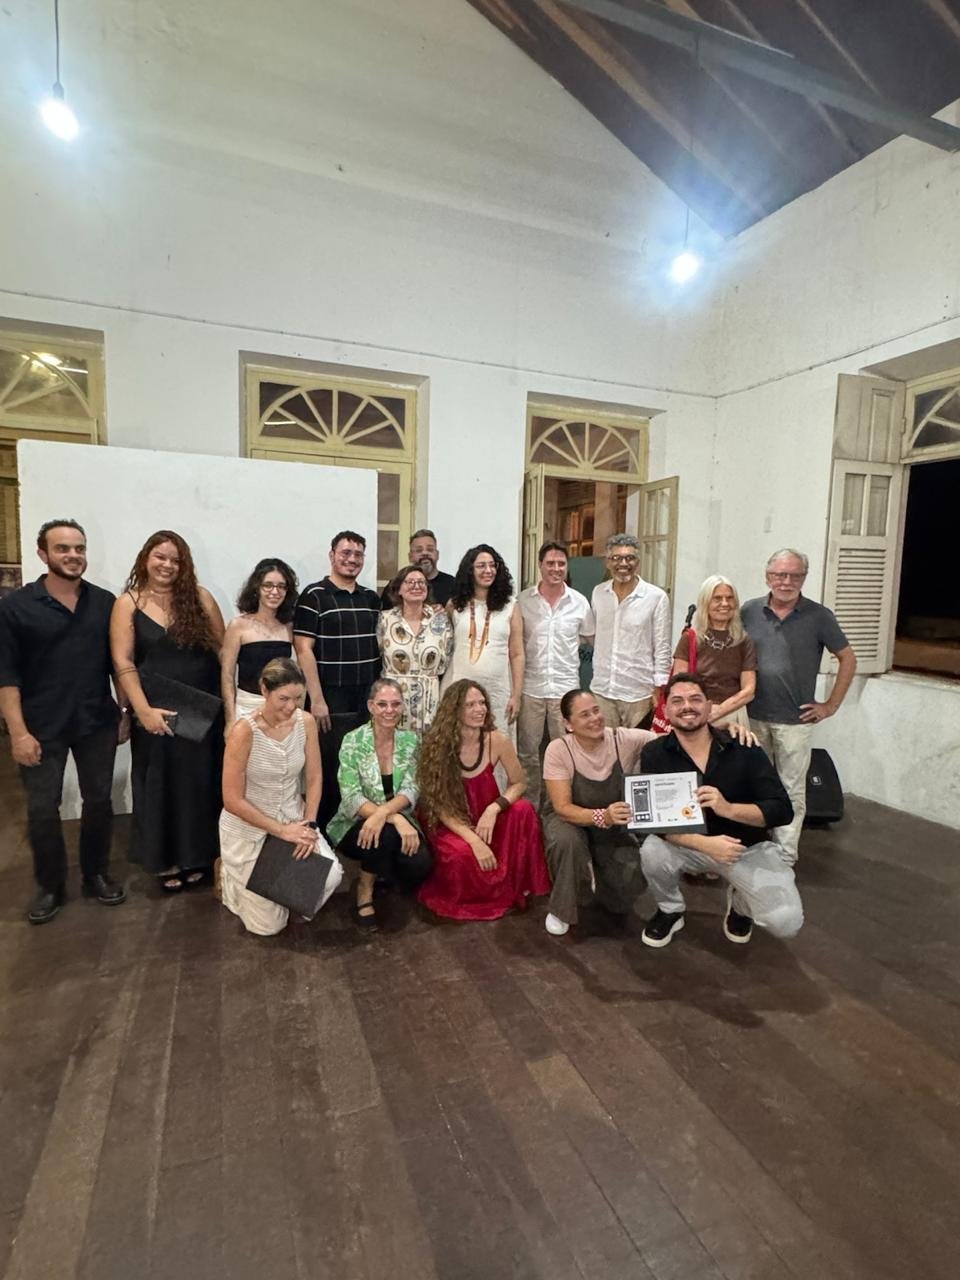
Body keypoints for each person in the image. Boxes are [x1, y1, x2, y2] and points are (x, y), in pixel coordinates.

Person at [0, 519, 127, 924]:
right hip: (40, 727)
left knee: (99, 801)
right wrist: (18, 733)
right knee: (42, 809)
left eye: (79, 548)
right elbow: (6, 677)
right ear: (43, 554)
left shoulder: (104, 603)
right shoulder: (15, 607)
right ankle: (50, 885)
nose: (73, 556)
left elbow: (119, 665)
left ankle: (95, 874)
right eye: (63, 548)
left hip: (96, 721)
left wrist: (124, 713)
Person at [639, 672, 804, 949]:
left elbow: (781, 810)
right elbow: (656, 822)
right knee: (651, 851)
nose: (687, 706)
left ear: (709, 707)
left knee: (786, 921)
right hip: (689, 845)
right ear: (666, 711)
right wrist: (704, 844)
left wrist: (729, 809)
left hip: (745, 849)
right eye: (677, 701)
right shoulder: (655, 753)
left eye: (695, 699)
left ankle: (740, 905)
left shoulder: (744, 745)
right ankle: (670, 909)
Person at [110, 529, 225, 891]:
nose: (168, 565)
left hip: (203, 710)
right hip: (155, 711)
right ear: (146, 558)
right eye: (160, 557)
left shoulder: (201, 598)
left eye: (176, 560)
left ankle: (198, 855)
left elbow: (224, 652)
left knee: (200, 783)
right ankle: (165, 859)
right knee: (160, 784)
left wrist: (230, 707)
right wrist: (141, 710)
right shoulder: (127, 603)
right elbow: (123, 662)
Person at [741, 548, 856, 864]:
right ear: (768, 577)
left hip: (795, 721)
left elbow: (847, 658)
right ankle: (753, 844)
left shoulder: (819, 616)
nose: (787, 581)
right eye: (780, 574)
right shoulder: (748, 611)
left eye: (795, 575)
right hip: (751, 718)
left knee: (791, 789)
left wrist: (830, 705)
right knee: (753, 785)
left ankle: (784, 855)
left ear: (804, 578)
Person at [219, 658, 341, 935]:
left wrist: (310, 824)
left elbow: (314, 777)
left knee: (330, 877)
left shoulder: (305, 722)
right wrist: (282, 831)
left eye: (298, 698)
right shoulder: (244, 731)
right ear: (265, 690)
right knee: (269, 927)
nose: (291, 707)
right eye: (283, 698)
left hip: (292, 818)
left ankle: (279, 892)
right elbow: (232, 800)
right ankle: (228, 877)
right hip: (250, 828)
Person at [417, 679, 550, 921]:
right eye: (470, 705)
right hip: (452, 821)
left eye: (482, 703)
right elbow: (438, 804)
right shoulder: (437, 745)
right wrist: (474, 841)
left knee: (523, 809)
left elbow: (519, 782)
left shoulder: (497, 740)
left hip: (486, 816)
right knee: (462, 856)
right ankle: (478, 896)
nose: (480, 709)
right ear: (454, 710)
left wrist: (494, 808)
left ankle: (520, 884)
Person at [294, 530, 382, 829]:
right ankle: (326, 830)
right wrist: (317, 699)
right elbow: (303, 649)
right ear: (332, 555)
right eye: (345, 553)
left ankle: (356, 826)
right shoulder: (314, 595)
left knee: (361, 762)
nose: (352, 559)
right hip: (329, 696)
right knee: (330, 764)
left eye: (358, 554)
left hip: (365, 696)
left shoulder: (371, 599)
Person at [327, 677, 431, 930]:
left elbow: (412, 788)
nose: (389, 710)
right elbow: (351, 796)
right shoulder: (353, 741)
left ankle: (383, 870)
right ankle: (365, 888)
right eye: (382, 704)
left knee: (420, 865)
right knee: (385, 834)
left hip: (395, 819)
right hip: (355, 823)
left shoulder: (411, 741)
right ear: (371, 706)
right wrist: (394, 818)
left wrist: (385, 813)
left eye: (396, 704)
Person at [517, 541, 594, 808]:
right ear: (540, 565)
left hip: (565, 690)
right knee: (528, 754)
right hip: (531, 688)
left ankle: (559, 809)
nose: (556, 568)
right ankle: (530, 809)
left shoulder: (579, 602)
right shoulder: (523, 601)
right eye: (550, 563)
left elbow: (591, 639)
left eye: (561, 563)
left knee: (566, 752)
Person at [442, 544, 523, 740]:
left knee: (497, 742)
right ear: (470, 570)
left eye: (492, 565)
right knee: (460, 742)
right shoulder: (455, 605)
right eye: (481, 566)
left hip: (498, 690)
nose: (488, 570)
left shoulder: (510, 606)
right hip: (459, 687)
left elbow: (517, 653)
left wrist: (517, 695)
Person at [591, 533, 671, 729]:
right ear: (608, 562)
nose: (623, 563)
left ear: (638, 562)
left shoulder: (656, 597)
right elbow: (595, 635)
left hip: (638, 694)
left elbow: (662, 646)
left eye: (630, 558)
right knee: (604, 745)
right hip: (602, 690)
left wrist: (659, 689)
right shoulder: (599, 593)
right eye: (616, 558)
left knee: (637, 746)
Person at [220, 557, 298, 731]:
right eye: (268, 585)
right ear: (257, 588)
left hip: (283, 711)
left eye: (281, 586)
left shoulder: (290, 626)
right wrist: (230, 719)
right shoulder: (238, 625)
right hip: (247, 708)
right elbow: (227, 676)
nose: (275, 591)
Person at [377, 565, 454, 733]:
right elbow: (378, 655)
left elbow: (447, 659)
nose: (416, 586)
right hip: (394, 697)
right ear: (399, 589)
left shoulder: (440, 620)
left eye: (421, 582)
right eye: (409, 582)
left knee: (430, 746)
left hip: (430, 698)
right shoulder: (385, 619)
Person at [672, 575, 757, 725]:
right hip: (695, 714)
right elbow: (679, 683)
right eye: (717, 598)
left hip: (733, 715)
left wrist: (718, 711)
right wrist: (702, 709)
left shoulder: (743, 640)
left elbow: (749, 690)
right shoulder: (690, 638)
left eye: (729, 598)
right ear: (705, 602)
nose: (725, 603)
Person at [381, 528, 457, 608]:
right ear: (410, 557)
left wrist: (447, 612)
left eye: (430, 549)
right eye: (419, 550)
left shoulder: (453, 585)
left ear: (437, 555)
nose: (425, 553)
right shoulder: (395, 585)